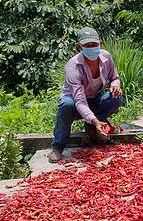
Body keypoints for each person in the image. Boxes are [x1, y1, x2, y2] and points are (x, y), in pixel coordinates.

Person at [49, 27, 123, 163]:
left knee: (115, 98)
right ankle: (57, 146)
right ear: (79, 47)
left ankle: (93, 127)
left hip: (95, 99)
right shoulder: (73, 66)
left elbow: (114, 77)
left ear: (100, 44)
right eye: (87, 46)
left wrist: (115, 84)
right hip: (74, 102)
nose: (91, 48)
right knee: (66, 104)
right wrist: (93, 119)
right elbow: (80, 101)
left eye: (94, 45)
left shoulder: (106, 57)